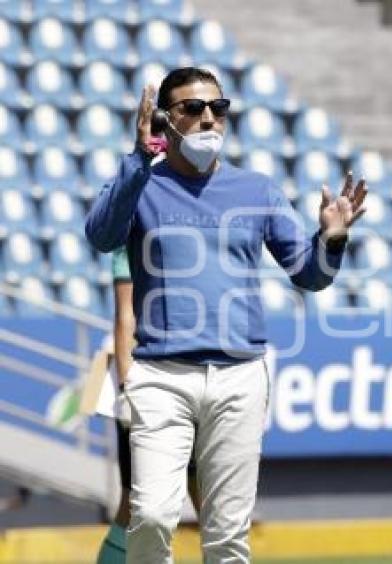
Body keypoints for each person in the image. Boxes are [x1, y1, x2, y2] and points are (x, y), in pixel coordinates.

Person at [84, 67, 367, 563]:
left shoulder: (256, 190)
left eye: (219, 108)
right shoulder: (142, 185)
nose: (209, 118)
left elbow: (309, 274)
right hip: (161, 376)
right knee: (149, 515)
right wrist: (137, 159)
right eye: (193, 109)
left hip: (240, 376)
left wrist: (333, 237)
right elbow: (102, 236)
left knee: (228, 536)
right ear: (165, 121)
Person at [95, 246, 201, 564]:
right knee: (135, 505)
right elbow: (125, 314)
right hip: (148, 375)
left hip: (194, 369)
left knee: (211, 504)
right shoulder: (134, 222)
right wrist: (129, 390)